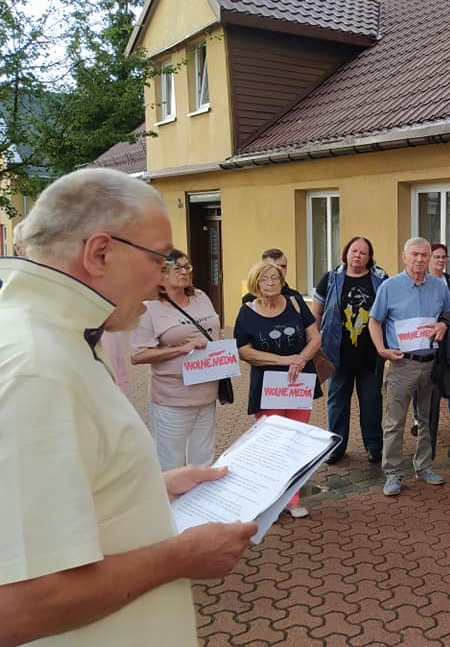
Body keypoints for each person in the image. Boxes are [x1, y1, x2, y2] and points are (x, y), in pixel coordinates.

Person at [0, 168, 254, 646]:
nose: (162, 281)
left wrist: (151, 488)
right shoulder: (35, 368)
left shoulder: (54, 336)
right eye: (159, 259)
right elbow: (17, 606)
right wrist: (180, 557)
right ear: (100, 253)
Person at [234, 260, 323, 518]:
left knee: (295, 441)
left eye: (275, 277)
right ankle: (267, 500)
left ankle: (292, 499)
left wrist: (301, 359)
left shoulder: (295, 303)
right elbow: (244, 351)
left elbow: (315, 338)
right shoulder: (247, 312)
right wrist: (284, 360)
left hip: (298, 384)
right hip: (268, 387)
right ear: (255, 283)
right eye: (264, 279)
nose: (270, 283)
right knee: (271, 444)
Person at [369, 237, 450, 497]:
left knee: (428, 419)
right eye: (414, 254)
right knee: (395, 422)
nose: (419, 259)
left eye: (424, 255)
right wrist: (381, 349)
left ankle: (424, 466)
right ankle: (392, 473)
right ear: (404, 257)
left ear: (429, 258)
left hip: (431, 363)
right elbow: (375, 321)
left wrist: (443, 324)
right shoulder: (389, 287)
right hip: (402, 363)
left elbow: (449, 313)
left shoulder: (439, 286)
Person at [131, 249, 222, 470]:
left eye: (187, 266)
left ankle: (202, 494)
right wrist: (182, 349)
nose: (184, 272)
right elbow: (138, 355)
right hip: (173, 398)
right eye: (177, 267)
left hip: (207, 393)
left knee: (204, 461)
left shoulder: (200, 297)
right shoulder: (148, 308)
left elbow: (214, 333)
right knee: (171, 464)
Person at [310, 236, 388, 464]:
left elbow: (390, 312)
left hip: (370, 355)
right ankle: (336, 447)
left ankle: (374, 446)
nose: (358, 256)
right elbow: (316, 313)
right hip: (337, 354)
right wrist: (314, 342)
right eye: (354, 251)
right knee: (337, 402)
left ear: (369, 257)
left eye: (363, 253)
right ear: (346, 253)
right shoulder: (331, 278)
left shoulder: (381, 279)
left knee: (371, 402)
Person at [412, 241, 450, 436]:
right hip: (424, 337)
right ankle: (417, 419)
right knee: (421, 379)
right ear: (429, 259)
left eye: (444, 257)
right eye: (437, 257)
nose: (441, 260)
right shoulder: (421, 280)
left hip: (449, 336)